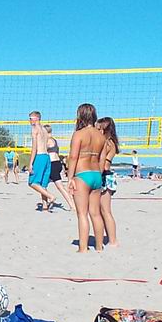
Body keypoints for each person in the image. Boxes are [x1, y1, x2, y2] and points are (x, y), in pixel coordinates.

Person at [66, 103, 106, 253]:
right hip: (96, 175)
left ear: (80, 116)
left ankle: (83, 248)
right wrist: (98, 176)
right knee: (95, 213)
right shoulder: (101, 136)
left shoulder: (78, 134)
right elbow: (102, 160)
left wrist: (70, 177)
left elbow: (73, 157)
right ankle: (99, 246)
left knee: (82, 214)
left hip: (82, 175)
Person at [97, 117, 120, 247]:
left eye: (99, 128)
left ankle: (113, 241)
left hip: (105, 176)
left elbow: (104, 165)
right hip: (105, 175)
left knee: (105, 211)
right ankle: (110, 239)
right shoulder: (109, 142)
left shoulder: (108, 143)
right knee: (101, 211)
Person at [27, 111, 57, 211]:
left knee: (32, 183)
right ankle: (45, 205)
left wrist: (30, 163)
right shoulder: (44, 130)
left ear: (36, 118)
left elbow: (34, 148)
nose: (29, 121)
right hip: (47, 157)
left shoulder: (35, 129)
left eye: (30, 118)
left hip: (39, 156)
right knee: (43, 184)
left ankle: (51, 196)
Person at [45, 125, 74, 211]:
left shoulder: (48, 141)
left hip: (52, 164)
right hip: (57, 163)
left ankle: (71, 205)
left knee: (59, 187)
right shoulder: (54, 140)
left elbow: (42, 150)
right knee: (43, 185)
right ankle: (45, 204)